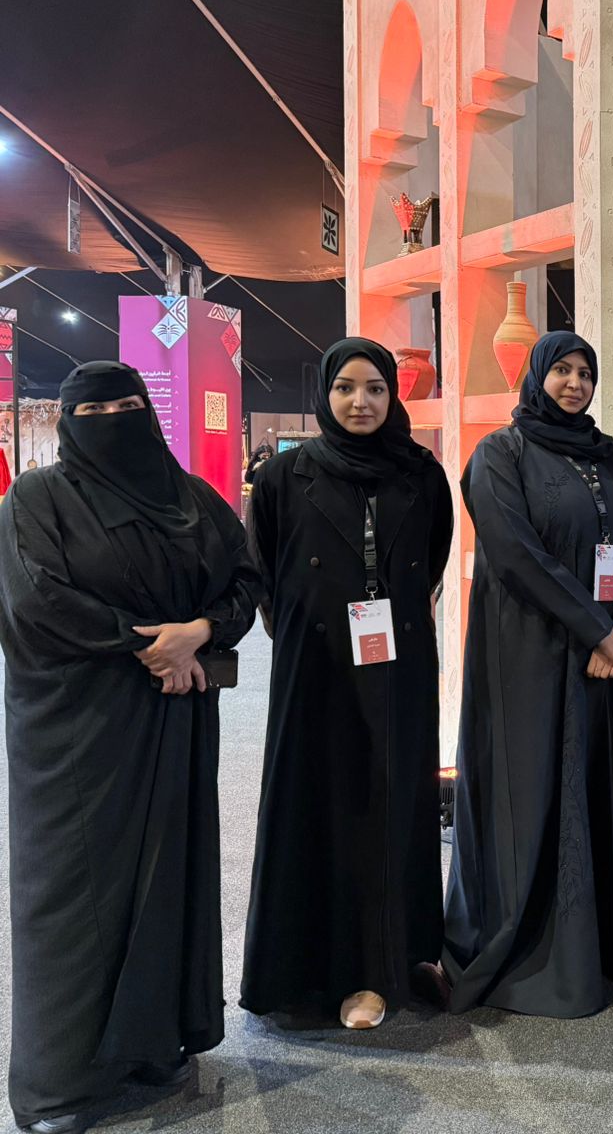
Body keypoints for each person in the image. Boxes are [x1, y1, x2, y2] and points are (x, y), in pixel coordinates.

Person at [0, 362, 259, 1133]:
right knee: (75, 893)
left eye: (127, 403)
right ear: (68, 420)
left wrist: (200, 633)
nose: (112, 418)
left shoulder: (194, 500)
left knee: (167, 877)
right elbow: (34, 599)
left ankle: (154, 1045)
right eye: (93, 409)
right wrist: (148, 646)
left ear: (148, 409)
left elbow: (244, 580)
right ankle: (62, 1083)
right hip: (78, 730)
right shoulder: (36, 499)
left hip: (176, 721)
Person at [241, 337, 454, 1030]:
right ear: (324, 394)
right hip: (317, 669)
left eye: (375, 389)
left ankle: (393, 960)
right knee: (322, 803)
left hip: (400, 663)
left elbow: (434, 556)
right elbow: (264, 570)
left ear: (392, 396)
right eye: (345, 388)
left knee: (394, 802)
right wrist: (302, 629)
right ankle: (321, 971)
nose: (360, 402)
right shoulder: (285, 475)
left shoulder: (420, 473)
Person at [444, 332, 613, 1018]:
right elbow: (516, 554)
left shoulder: (610, 456)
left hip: (605, 658)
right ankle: (532, 951)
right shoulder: (499, 454)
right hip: (528, 655)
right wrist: (598, 627)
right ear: (537, 376)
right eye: (562, 370)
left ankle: (593, 944)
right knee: (532, 793)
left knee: (591, 787)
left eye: (586, 372)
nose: (575, 383)